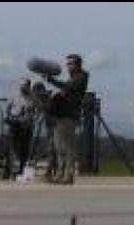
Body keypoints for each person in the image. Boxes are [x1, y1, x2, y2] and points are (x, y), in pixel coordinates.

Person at [45, 53, 89, 184]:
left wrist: (52, 80)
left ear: (77, 65)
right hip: (61, 114)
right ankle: (60, 174)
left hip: (69, 115)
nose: (67, 66)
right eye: (67, 63)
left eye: (70, 64)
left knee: (68, 146)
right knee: (59, 147)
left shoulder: (81, 78)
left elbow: (68, 87)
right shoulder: (73, 78)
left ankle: (68, 175)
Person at [2, 79, 37, 180]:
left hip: (27, 126)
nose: (23, 87)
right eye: (22, 85)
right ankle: (10, 171)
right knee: (12, 149)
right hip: (14, 124)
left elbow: (37, 111)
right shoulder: (14, 96)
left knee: (25, 150)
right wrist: (7, 118)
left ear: (29, 86)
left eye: (25, 85)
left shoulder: (33, 98)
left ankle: (22, 170)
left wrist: (33, 120)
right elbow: (7, 108)